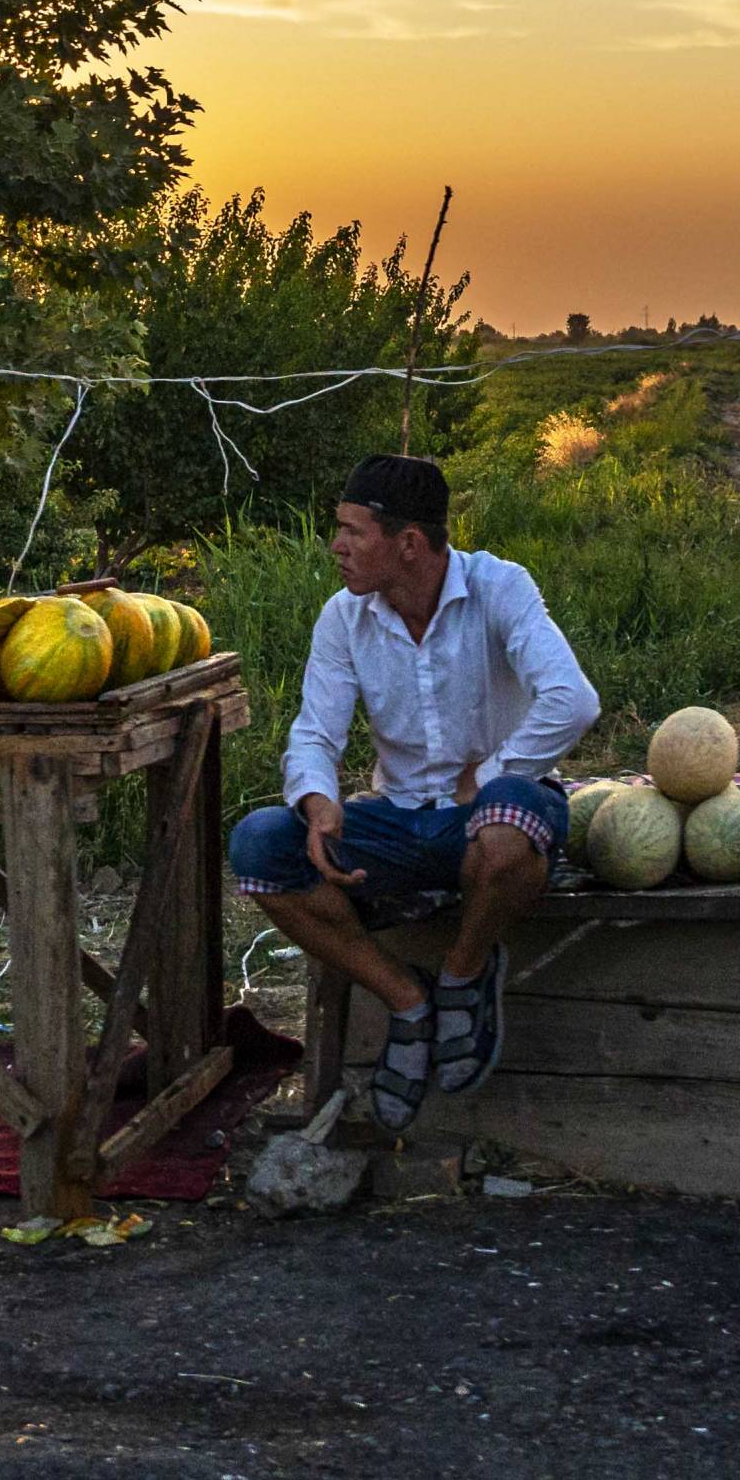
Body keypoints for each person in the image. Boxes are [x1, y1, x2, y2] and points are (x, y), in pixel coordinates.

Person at [228, 453, 600, 1132]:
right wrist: (317, 802)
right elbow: (314, 732)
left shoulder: (498, 587)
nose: (336, 546)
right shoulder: (344, 618)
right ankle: (408, 1001)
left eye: (352, 531)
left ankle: (463, 975)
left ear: (408, 543)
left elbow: (572, 701)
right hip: (397, 821)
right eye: (336, 529)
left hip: (491, 818)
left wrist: (487, 774)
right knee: (258, 846)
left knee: (507, 825)